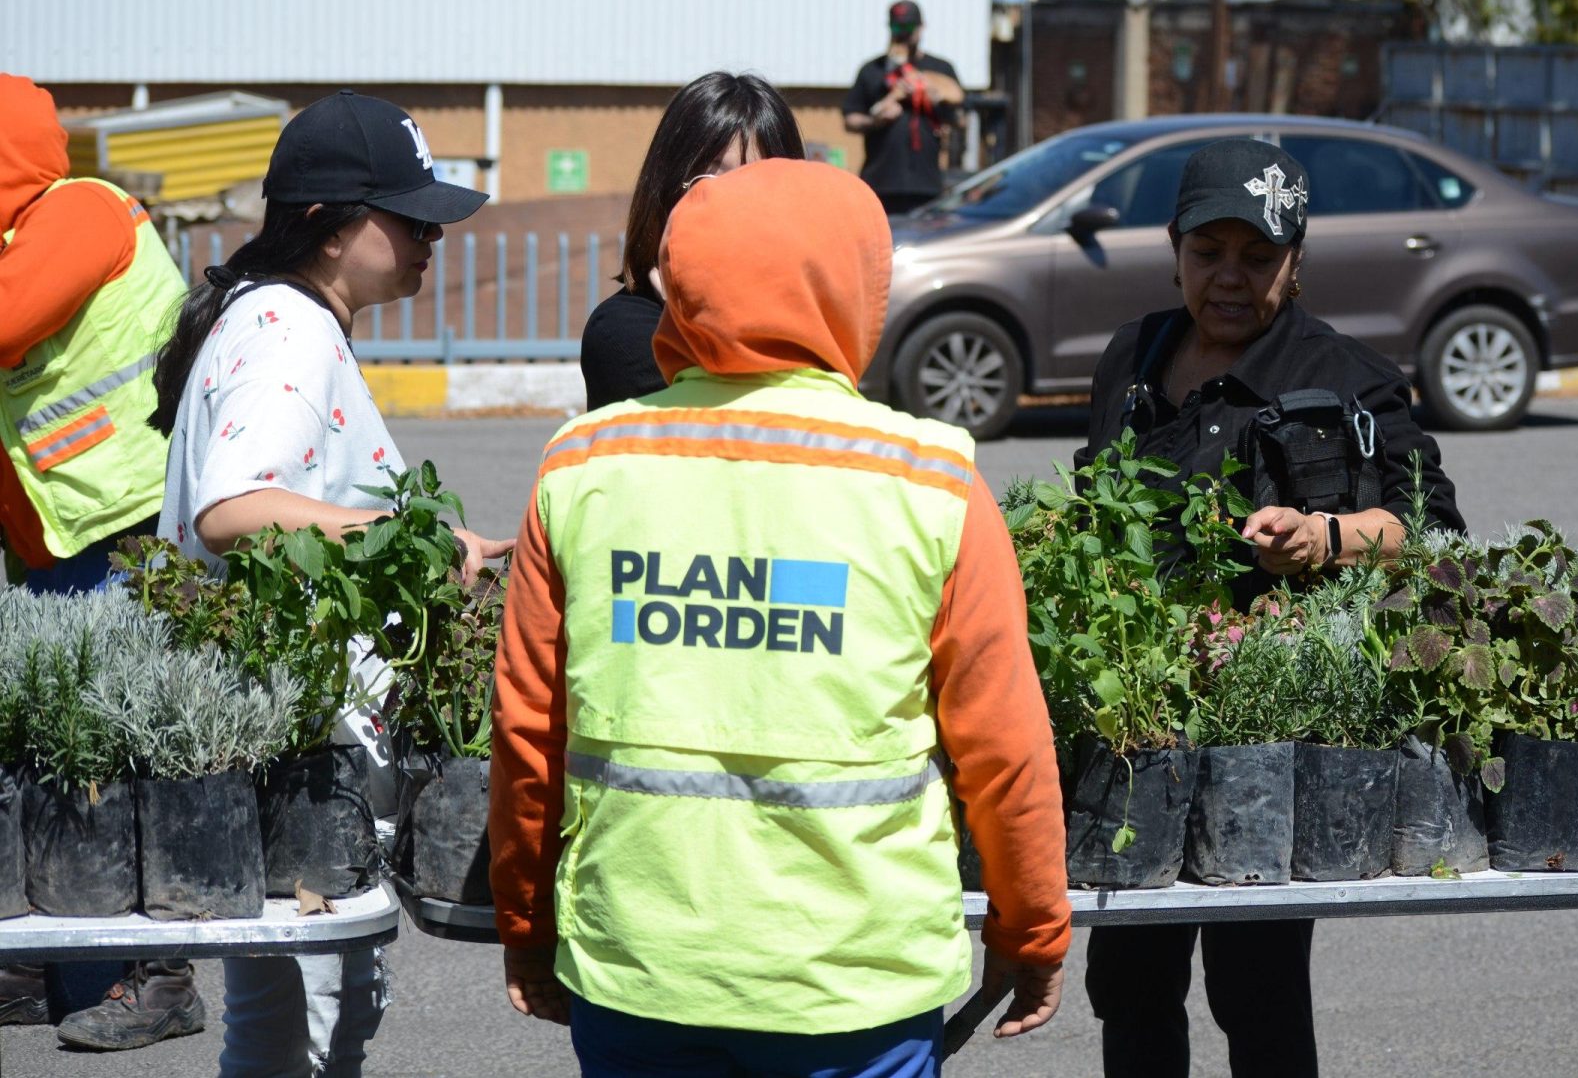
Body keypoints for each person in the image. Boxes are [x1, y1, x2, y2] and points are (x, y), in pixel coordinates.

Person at [491, 159, 1070, 1077]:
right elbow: (1003, 745)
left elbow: (529, 726)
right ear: (858, 289)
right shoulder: (930, 479)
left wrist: (522, 919)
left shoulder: (584, 464)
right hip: (855, 983)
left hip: (643, 969)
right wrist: (1030, 927)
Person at [1075, 137, 1466, 1078]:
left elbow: (1436, 528)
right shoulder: (1130, 358)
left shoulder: (1352, 376)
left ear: (1296, 260)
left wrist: (1326, 539)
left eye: (1258, 256)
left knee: (1257, 987)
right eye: (1209, 252)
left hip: (1270, 733)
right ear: (1174, 248)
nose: (1230, 277)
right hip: (1138, 720)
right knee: (1128, 979)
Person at [149, 89, 513, 1077]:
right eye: (408, 216)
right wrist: (410, 539)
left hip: (276, 726)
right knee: (315, 1023)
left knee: (282, 1016)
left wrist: (432, 539)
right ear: (328, 222)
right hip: (305, 741)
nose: (430, 236)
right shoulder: (292, 333)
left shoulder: (263, 313)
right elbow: (239, 506)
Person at [0, 73, 208, 1052]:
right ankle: (45, 954)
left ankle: (159, 974)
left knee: (133, 743)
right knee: (51, 744)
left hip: (128, 524)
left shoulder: (82, 211)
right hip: (57, 536)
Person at [579, 71, 804, 411]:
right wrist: (689, 326)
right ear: (665, 188)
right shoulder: (626, 330)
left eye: (760, 183)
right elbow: (738, 435)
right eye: (708, 182)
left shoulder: (806, 316)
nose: (734, 205)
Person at [841, 0, 965, 214]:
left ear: (921, 27)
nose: (903, 34)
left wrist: (936, 99)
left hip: (926, 183)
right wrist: (876, 120)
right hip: (880, 182)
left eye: (908, 28)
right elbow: (850, 119)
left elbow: (960, 119)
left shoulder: (940, 69)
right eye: (897, 27)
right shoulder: (873, 70)